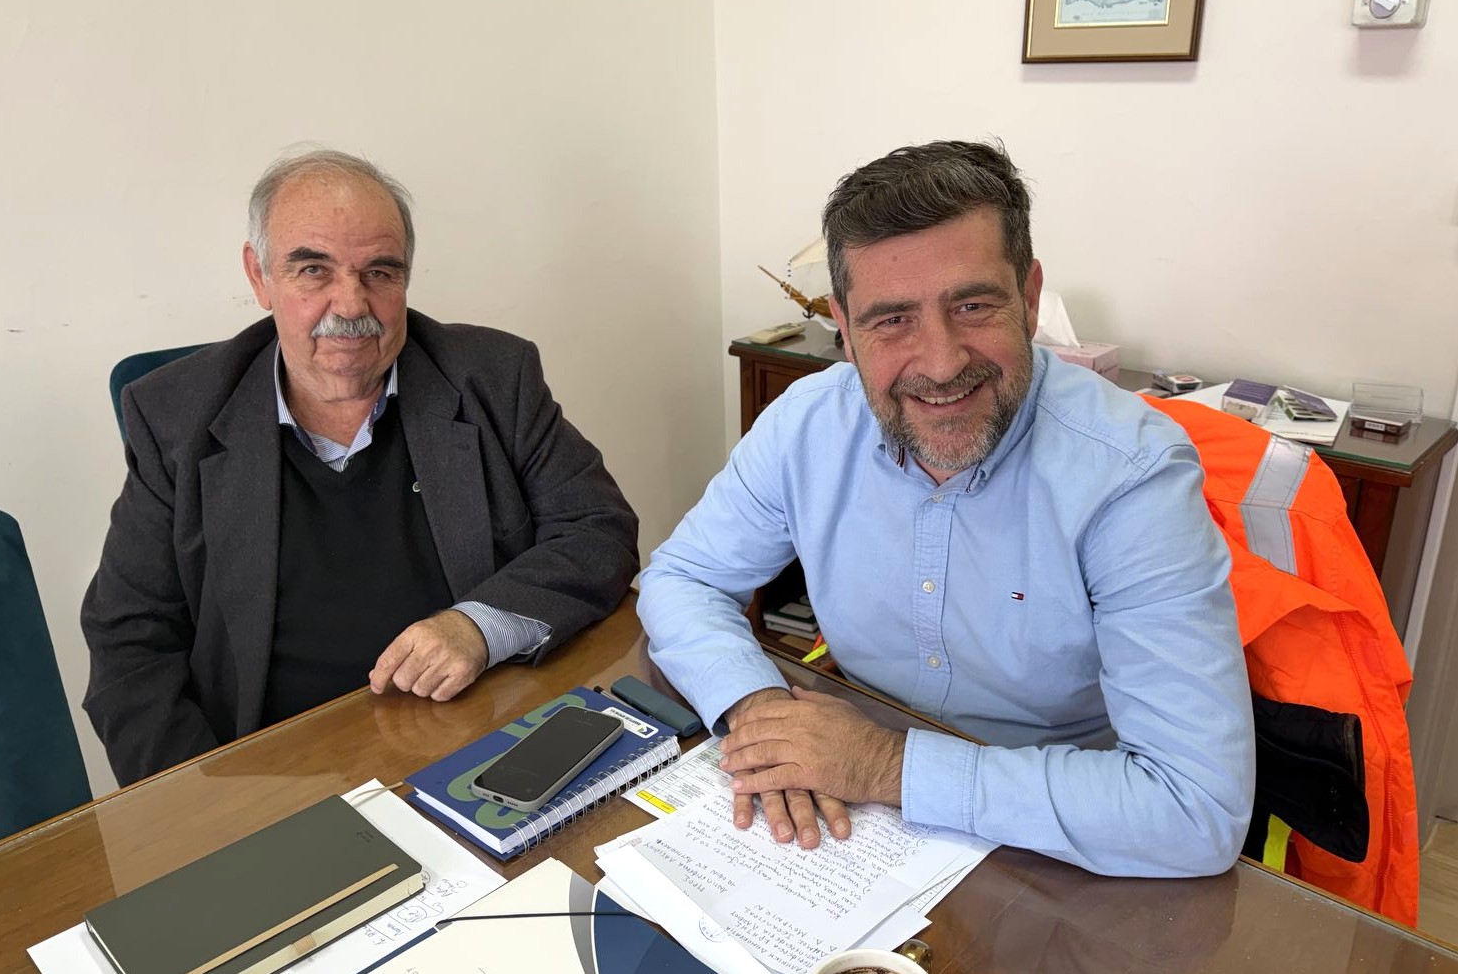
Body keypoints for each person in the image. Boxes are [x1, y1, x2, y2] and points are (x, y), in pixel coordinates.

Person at [636, 139, 1254, 876]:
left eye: (972, 305)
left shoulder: (1130, 476)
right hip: (850, 810)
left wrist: (884, 765)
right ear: (843, 327)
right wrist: (757, 708)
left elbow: (1194, 810)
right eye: (891, 320)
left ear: (1029, 297)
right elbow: (682, 578)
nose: (940, 362)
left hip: (1054, 833)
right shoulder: (805, 424)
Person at [83, 149, 639, 786]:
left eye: (379, 271)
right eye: (312, 269)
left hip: (481, 744)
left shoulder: (492, 377)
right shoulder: (174, 414)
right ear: (259, 277)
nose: (351, 304)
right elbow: (130, 641)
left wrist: (478, 626)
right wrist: (204, 812)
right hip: (273, 774)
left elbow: (597, 528)